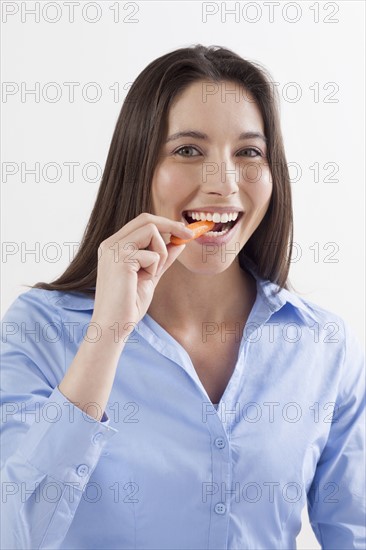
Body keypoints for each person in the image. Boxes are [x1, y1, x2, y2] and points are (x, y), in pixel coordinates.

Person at [1, 44, 365, 550]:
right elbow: (18, 532)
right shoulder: (37, 331)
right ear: (139, 165)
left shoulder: (325, 346)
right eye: (188, 150)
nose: (223, 183)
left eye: (248, 152)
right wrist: (107, 336)